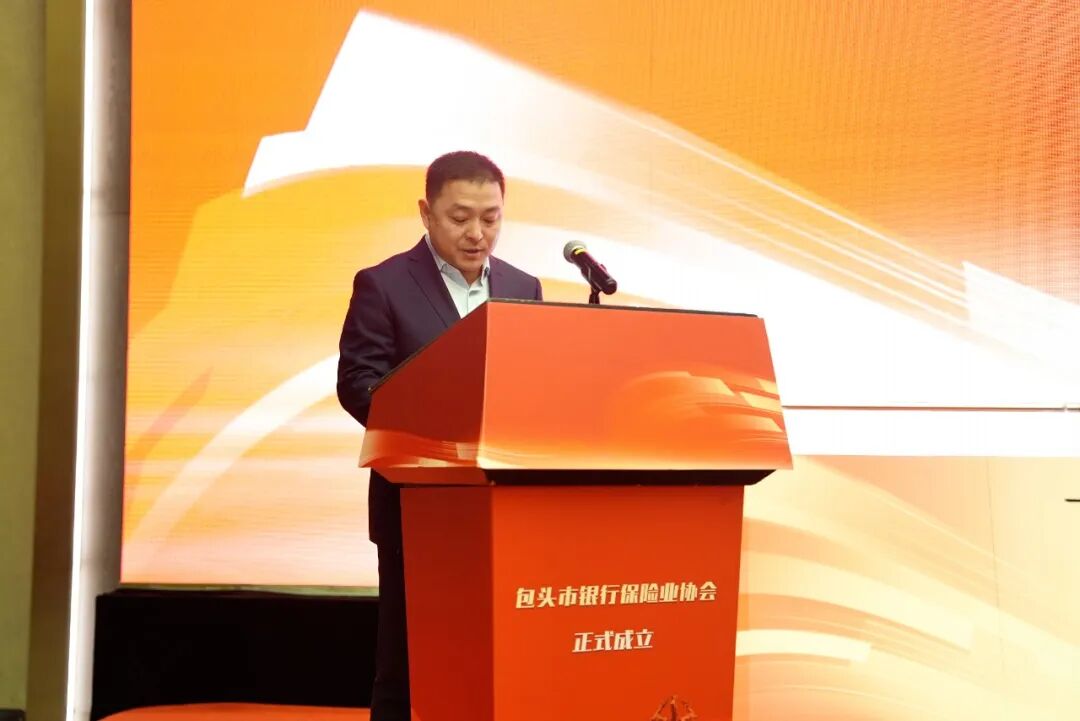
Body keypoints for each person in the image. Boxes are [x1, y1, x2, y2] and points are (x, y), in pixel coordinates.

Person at [336, 151, 543, 721]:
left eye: (491, 218)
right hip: (416, 507)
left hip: (503, 510)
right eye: (460, 218)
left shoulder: (524, 287)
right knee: (407, 664)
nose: (477, 233)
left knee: (495, 661)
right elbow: (359, 384)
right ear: (426, 214)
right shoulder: (383, 284)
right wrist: (440, 432)